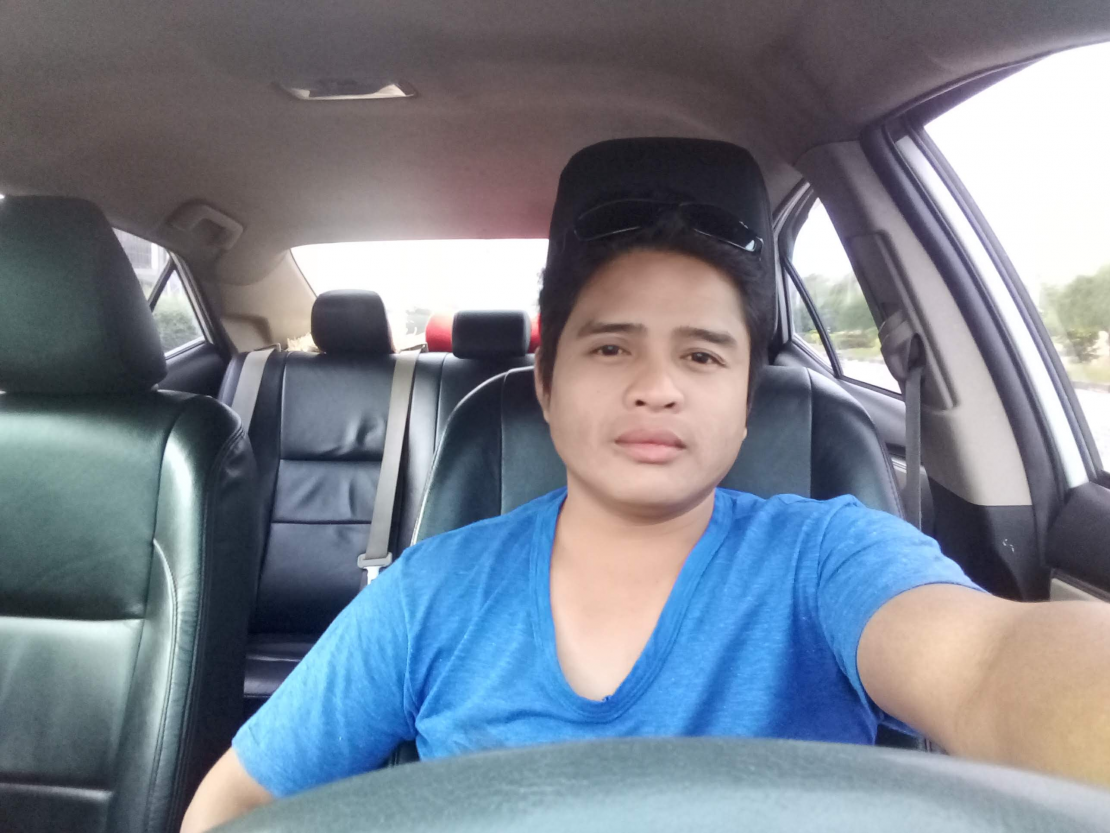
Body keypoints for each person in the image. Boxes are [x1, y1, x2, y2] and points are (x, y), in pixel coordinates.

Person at [182, 139, 1110, 831]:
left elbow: (991, 662)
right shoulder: (432, 590)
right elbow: (236, 801)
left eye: (702, 354)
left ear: (746, 405)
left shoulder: (830, 557)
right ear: (547, 388)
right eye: (611, 347)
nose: (657, 385)